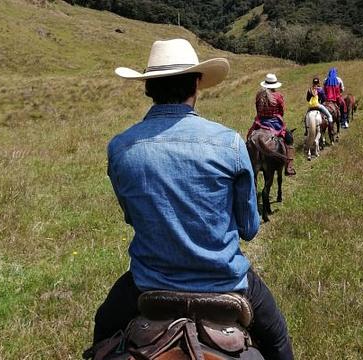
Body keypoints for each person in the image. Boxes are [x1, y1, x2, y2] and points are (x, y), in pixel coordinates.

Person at [87, 39, 294, 360]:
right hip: (227, 281)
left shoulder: (120, 148)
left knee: (103, 330)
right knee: (278, 340)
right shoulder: (230, 144)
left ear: (148, 88)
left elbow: (132, 216)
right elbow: (250, 228)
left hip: (147, 283)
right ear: (197, 83)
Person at [247, 73, 296, 176]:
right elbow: (282, 111)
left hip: (260, 122)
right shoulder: (278, 96)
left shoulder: (259, 95)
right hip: (275, 123)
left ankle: (247, 162)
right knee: (288, 139)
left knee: (249, 137)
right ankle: (289, 167)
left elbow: (257, 110)